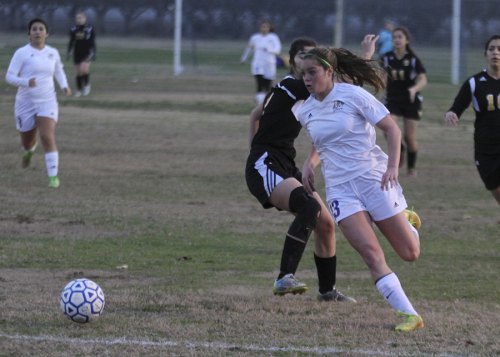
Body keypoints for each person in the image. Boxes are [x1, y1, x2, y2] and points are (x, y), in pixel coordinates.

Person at [297, 46, 424, 331]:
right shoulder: (306, 110)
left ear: (329, 72)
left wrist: (392, 167)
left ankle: (405, 219)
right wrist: (309, 162)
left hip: (374, 179)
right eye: (303, 73)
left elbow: (392, 129)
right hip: (341, 190)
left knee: (410, 252)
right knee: (370, 253)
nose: (306, 78)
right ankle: (409, 315)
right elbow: (324, 140)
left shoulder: (353, 95)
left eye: (312, 72)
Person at [245, 35, 379, 302]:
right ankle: (284, 277)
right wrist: (365, 55)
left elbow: (254, 114)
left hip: (284, 164)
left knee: (326, 223)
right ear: (296, 62)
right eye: (305, 57)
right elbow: (345, 86)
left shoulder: (287, 87)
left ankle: (327, 291)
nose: (311, 65)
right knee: (309, 207)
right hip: (266, 164)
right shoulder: (296, 85)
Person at [6, 18, 71, 188]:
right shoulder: (22, 53)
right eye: (34, 29)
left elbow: (59, 71)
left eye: (41, 29)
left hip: (47, 101)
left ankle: (53, 177)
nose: (37, 32)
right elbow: (9, 76)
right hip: (25, 103)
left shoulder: (52, 52)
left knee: (47, 136)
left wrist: (64, 86)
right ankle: (28, 152)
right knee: (27, 142)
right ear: (29, 34)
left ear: (46, 34)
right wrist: (27, 82)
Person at [444, 35, 500, 223]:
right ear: (485, 54)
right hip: (485, 146)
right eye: (492, 49)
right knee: (493, 185)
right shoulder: (475, 82)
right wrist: (452, 113)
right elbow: (457, 106)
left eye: (499, 49)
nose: (496, 53)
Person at [380, 26, 427, 176]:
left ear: (407, 40)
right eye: (394, 37)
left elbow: (423, 79)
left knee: (409, 136)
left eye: (400, 37)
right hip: (393, 98)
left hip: (410, 100)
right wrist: (381, 92)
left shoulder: (413, 59)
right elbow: (382, 77)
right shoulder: (387, 58)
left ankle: (411, 167)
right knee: (388, 129)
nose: (397, 40)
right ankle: (399, 149)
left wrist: (414, 89)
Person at [240, 20, 282, 105]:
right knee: (260, 82)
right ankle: (259, 103)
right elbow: (249, 49)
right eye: (262, 26)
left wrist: (269, 50)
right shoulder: (255, 38)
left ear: (269, 28)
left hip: (269, 64)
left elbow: (278, 50)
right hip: (257, 63)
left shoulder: (273, 37)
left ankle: (267, 103)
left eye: (266, 27)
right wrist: (243, 58)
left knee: (267, 85)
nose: (264, 29)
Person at [67, 10, 96, 97]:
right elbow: (71, 41)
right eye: (77, 18)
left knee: (84, 69)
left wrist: (94, 51)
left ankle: (87, 85)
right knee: (78, 72)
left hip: (87, 52)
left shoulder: (89, 28)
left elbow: (92, 41)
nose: (79, 20)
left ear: (85, 18)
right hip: (77, 51)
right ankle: (79, 90)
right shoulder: (73, 29)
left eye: (80, 18)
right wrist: (69, 51)